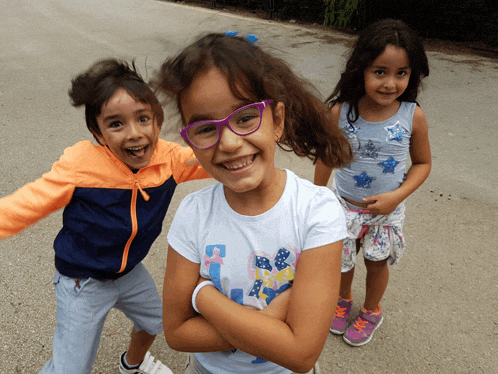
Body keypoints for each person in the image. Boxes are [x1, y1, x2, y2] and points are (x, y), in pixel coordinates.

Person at [156, 32, 354, 374]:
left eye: (245, 117)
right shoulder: (193, 213)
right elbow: (177, 333)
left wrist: (204, 297)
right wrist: (271, 322)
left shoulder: (316, 211)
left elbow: (301, 353)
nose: (230, 142)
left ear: (276, 121)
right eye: (205, 129)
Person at [0, 59, 210, 374]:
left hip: (129, 273)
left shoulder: (169, 159)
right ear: (97, 131)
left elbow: (215, 158)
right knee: (70, 369)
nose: (135, 134)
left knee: (158, 320)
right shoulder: (81, 166)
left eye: (143, 119)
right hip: (81, 282)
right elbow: (25, 203)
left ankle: (132, 364)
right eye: (116, 124)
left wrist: (248, 141)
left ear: (157, 120)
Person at [314, 19, 432, 346]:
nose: (390, 83)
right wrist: (317, 196)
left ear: (412, 74)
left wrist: (397, 197)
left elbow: (423, 164)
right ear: (361, 70)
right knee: (343, 258)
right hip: (343, 206)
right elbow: (326, 156)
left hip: (386, 213)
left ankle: (370, 311)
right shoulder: (342, 111)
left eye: (401, 73)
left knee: (376, 263)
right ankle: (342, 300)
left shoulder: (413, 116)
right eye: (380, 72)